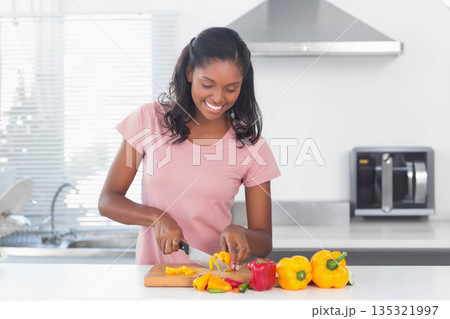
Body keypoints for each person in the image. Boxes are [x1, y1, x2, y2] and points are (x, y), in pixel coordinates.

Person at [98, 27, 281, 271]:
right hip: (155, 281)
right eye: (208, 84)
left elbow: (264, 240)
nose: (218, 98)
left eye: (231, 88)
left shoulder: (252, 146)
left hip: (215, 282)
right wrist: (156, 217)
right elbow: (108, 200)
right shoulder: (148, 120)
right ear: (189, 73)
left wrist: (243, 234)